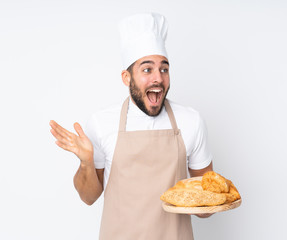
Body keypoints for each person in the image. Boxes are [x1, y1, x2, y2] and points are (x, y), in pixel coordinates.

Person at [50, 12, 214, 240]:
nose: (158, 78)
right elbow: (88, 197)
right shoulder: (102, 122)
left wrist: (216, 198)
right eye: (147, 69)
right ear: (127, 78)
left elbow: (206, 210)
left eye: (164, 69)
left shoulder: (191, 121)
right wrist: (86, 162)